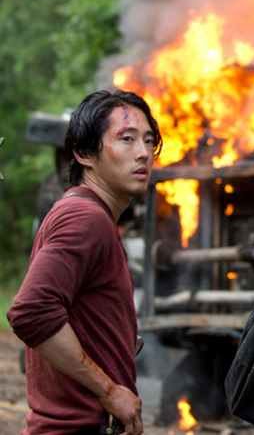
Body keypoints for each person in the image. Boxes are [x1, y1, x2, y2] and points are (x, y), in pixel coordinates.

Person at [7, 90, 161, 435]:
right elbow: (30, 311)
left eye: (149, 141)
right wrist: (109, 391)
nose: (143, 153)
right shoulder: (84, 217)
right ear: (84, 153)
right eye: (126, 139)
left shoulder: (91, 215)